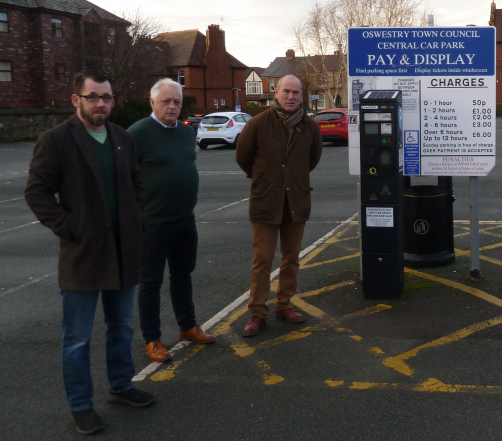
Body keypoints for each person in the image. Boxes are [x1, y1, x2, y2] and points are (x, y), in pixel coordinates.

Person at [25, 70, 155, 435]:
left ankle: (121, 386)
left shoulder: (123, 139)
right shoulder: (55, 141)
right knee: (77, 337)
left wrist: (136, 219)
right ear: (76, 100)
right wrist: (69, 228)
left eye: (107, 98)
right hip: (83, 254)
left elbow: (136, 184)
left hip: (123, 251)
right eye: (93, 96)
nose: (101, 103)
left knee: (122, 328)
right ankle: (80, 405)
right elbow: (36, 193)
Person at [127, 78, 215, 363]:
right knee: (150, 282)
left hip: (184, 219)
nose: (172, 106)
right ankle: (152, 339)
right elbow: (125, 179)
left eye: (177, 101)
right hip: (152, 223)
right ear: (152, 102)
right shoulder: (137, 134)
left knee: (182, 276)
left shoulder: (187, 133)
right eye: (166, 101)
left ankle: (187, 326)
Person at [235, 75, 322, 337]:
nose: (291, 96)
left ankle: (284, 305)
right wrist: (263, 179)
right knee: (262, 259)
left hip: (296, 201)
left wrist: (292, 180)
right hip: (266, 201)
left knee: (291, 257)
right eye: (286, 91)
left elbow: (312, 160)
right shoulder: (257, 123)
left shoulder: (310, 127)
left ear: (302, 95)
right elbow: (243, 157)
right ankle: (257, 313)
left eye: (296, 92)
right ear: (276, 93)